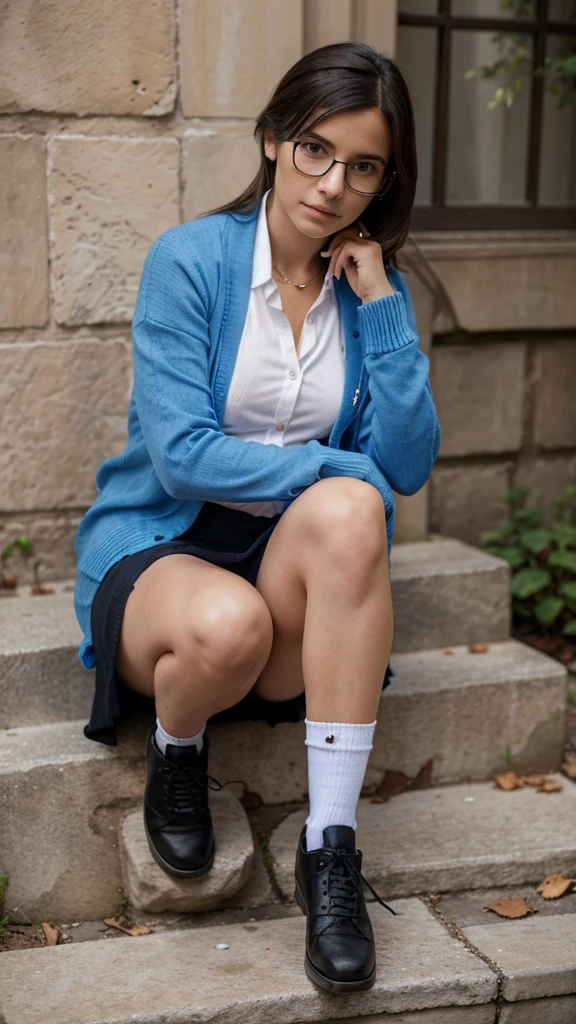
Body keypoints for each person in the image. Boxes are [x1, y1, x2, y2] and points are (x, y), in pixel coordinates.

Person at [73, 41, 441, 993]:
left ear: (383, 180)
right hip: (163, 548)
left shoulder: (365, 295)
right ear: (275, 139)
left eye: (364, 167)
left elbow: (403, 466)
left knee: (356, 506)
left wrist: (384, 304)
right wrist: (327, 461)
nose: (334, 185)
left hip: (283, 569)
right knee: (232, 622)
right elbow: (182, 453)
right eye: (317, 150)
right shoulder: (189, 262)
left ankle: (330, 849)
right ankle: (178, 745)